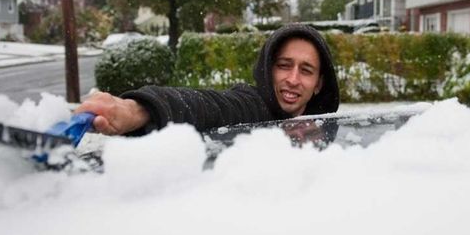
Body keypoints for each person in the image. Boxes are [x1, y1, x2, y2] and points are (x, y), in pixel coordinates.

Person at [76, 23, 340, 136]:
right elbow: (211, 105)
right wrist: (139, 109)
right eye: (284, 66)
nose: (293, 79)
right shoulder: (255, 107)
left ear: (318, 83)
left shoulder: (335, 136)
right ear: (268, 70)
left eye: (306, 71)